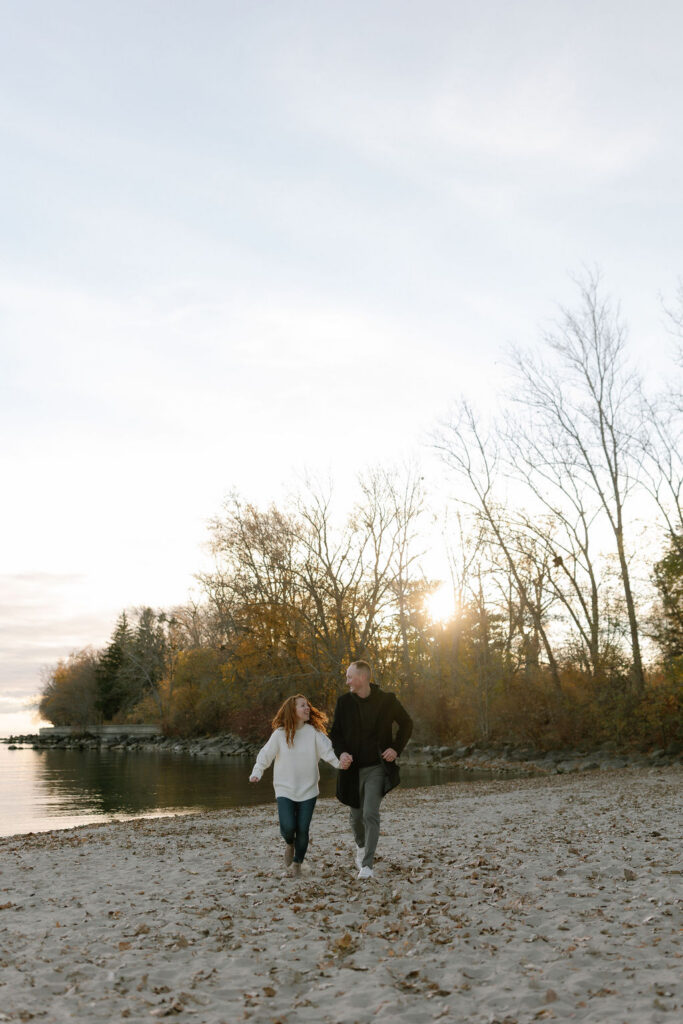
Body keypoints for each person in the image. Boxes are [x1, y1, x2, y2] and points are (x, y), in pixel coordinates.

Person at [330, 660, 413, 879]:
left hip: (377, 767)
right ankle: (361, 845)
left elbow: (407, 723)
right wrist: (342, 754)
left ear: (363, 678)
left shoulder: (387, 701)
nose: (347, 680)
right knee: (356, 817)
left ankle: (367, 866)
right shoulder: (344, 702)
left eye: (350, 676)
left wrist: (395, 748)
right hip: (351, 770)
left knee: (370, 814)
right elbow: (335, 734)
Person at [249, 694, 343, 876]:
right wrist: (257, 771)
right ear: (293, 710)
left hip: (308, 789)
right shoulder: (279, 734)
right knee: (288, 827)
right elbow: (265, 754)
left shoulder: (314, 733)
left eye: (308, 705)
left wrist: (341, 764)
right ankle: (289, 843)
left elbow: (329, 752)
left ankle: (297, 864)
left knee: (302, 829)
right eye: (302, 706)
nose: (307, 708)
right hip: (285, 789)